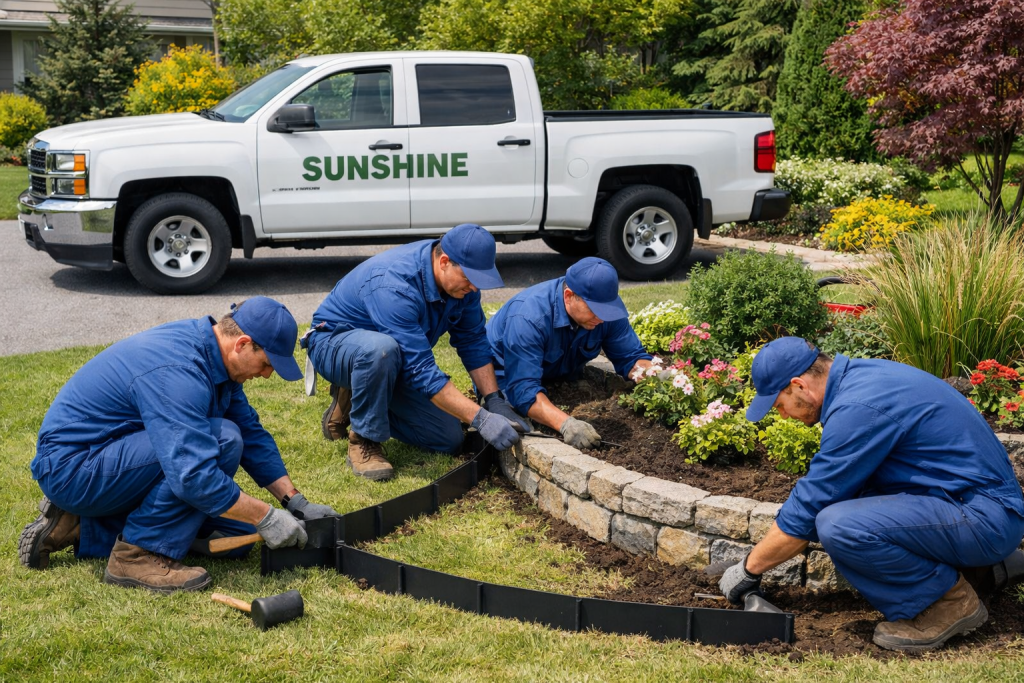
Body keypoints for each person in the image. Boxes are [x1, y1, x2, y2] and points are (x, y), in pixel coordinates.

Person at [718, 336, 1024, 652]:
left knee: (839, 524)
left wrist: (749, 568)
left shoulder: (857, 408)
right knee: (854, 498)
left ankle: (948, 605)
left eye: (779, 404)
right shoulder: (863, 380)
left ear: (799, 385)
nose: (782, 415)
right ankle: (986, 571)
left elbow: (809, 508)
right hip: (982, 509)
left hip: (983, 518)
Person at [18, 297, 339, 594]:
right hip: (74, 468)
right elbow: (193, 476)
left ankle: (82, 526)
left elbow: (251, 434)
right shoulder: (180, 373)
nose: (268, 375)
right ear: (242, 344)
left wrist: (294, 502)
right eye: (268, 364)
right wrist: (265, 516)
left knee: (235, 539)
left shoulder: (215, 357)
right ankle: (134, 556)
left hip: (107, 458)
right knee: (222, 440)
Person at [308, 223, 527, 481]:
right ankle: (363, 440)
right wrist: (482, 420)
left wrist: (494, 400)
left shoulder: (463, 287)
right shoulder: (395, 285)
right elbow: (422, 372)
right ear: (445, 261)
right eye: (470, 279)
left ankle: (360, 395)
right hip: (335, 344)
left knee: (448, 438)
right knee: (380, 350)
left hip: (391, 359)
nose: (475, 289)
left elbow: (473, 340)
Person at [485, 257, 653, 449]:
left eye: (606, 310)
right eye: (595, 310)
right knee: (516, 419)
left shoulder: (605, 309)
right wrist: (566, 424)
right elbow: (523, 390)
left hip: (552, 375)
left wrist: (655, 375)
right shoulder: (529, 318)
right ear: (569, 296)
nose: (601, 317)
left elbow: (631, 356)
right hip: (505, 377)